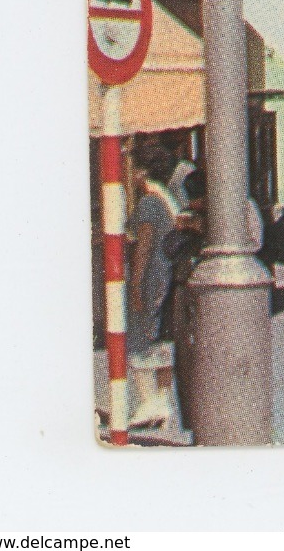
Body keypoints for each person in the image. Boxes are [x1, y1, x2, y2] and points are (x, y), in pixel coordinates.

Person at [126, 145, 182, 430]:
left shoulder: (148, 202)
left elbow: (144, 247)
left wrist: (135, 284)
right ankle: (162, 402)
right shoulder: (166, 199)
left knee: (139, 340)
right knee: (161, 342)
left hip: (150, 277)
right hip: (166, 275)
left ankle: (148, 403)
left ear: (142, 172)